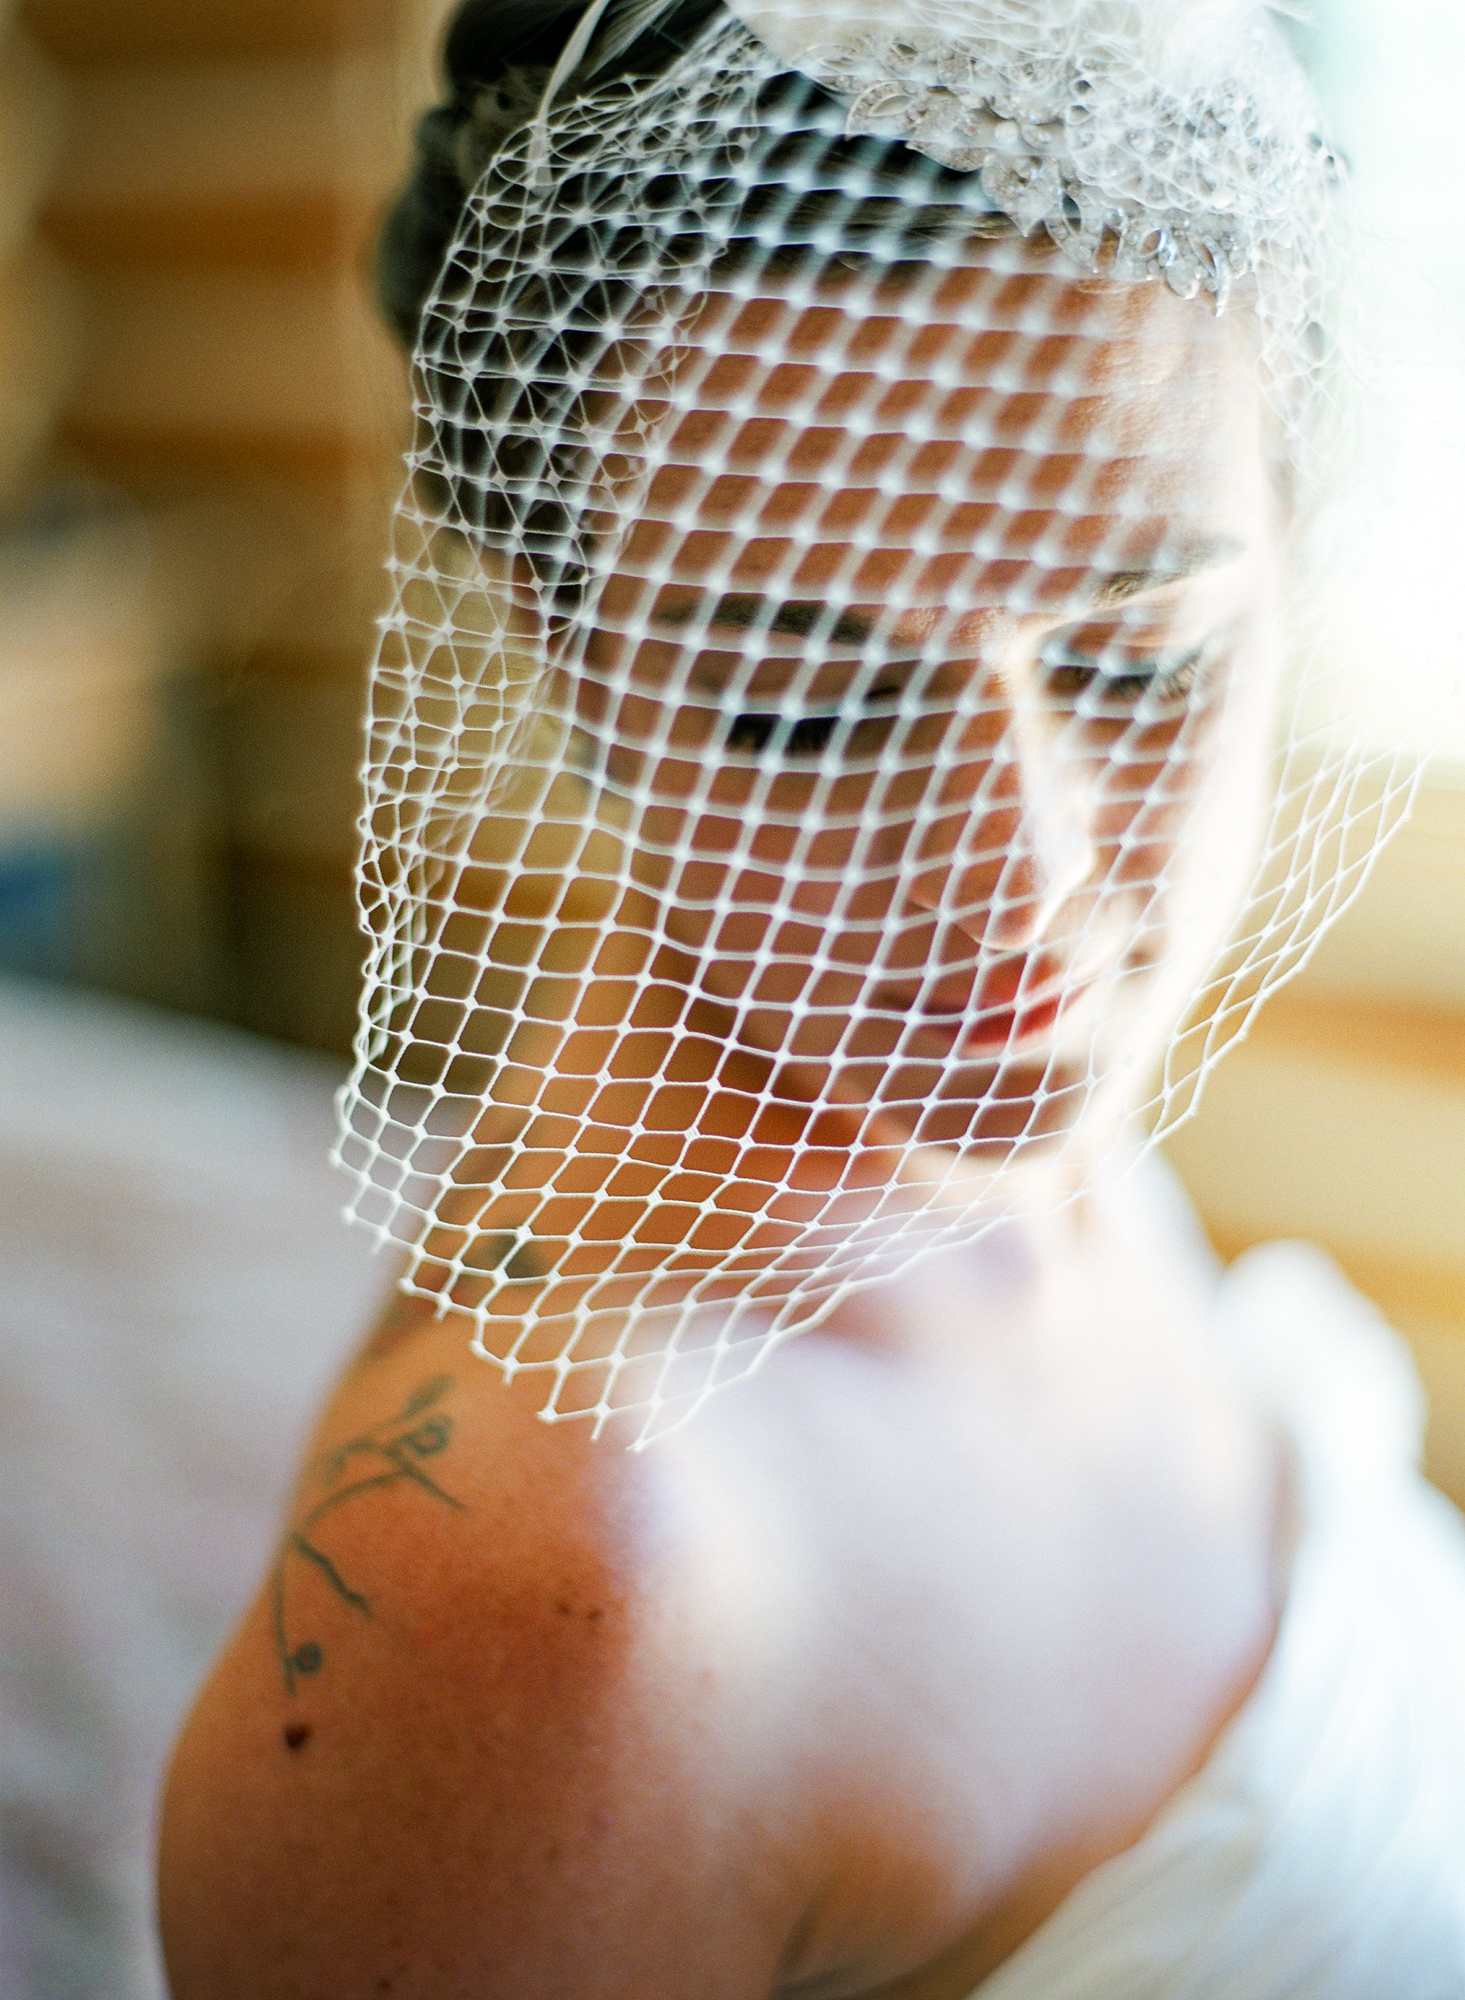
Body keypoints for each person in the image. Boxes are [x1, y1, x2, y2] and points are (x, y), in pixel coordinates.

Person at [156, 1, 1465, 1993]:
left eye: (1138, 663)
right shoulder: (563, 1595)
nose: (1016, 884)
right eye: (804, 706)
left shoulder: (966, 1096)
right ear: (569, 654)